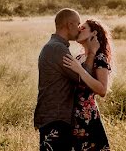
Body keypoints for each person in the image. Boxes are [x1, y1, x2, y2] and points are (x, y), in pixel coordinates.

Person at [35, 8, 85, 151]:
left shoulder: (56, 46)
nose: (80, 28)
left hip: (54, 117)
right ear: (69, 25)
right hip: (55, 118)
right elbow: (80, 77)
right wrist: (92, 52)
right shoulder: (57, 49)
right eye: (78, 24)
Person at [62, 19, 113, 151]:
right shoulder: (78, 58)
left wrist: (80, 70)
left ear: (93, 33)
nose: (79, 30)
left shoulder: (100, 58)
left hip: (87, 117)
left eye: (83, 28)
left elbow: (102, 90)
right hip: (72, 117)